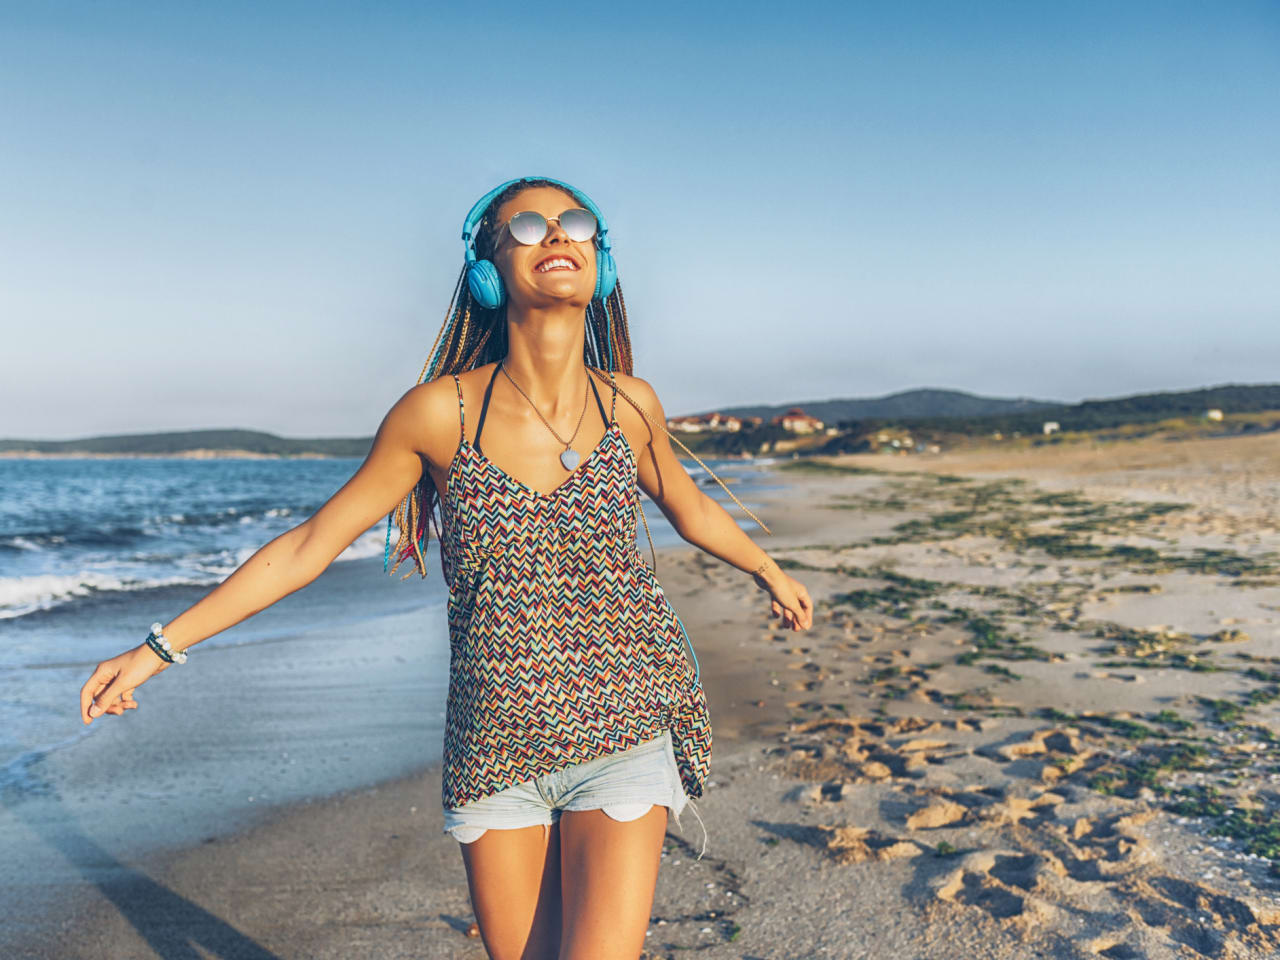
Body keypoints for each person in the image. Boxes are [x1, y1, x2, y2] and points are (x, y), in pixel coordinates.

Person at [79, 176, 814, 960]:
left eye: (577, 223)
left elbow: (687, 506)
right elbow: (309, 545)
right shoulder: (436, 415)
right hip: (494, 742)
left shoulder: (630, 404)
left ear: (601, 259)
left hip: (625, 719)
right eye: (529, 224)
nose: (558, 234)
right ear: (488, 268)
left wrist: (768, 568)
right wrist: (156, 649)